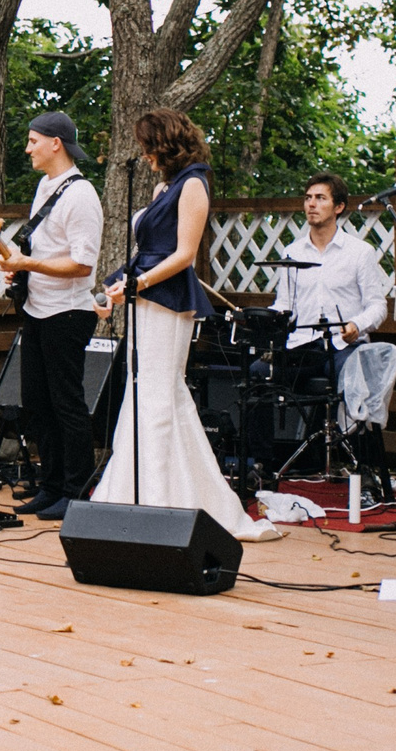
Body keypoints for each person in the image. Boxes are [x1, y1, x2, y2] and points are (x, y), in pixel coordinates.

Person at [82, 108, 279, 541]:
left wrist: (138, 284)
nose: (145, 155)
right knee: (144, 392)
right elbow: (147, 251)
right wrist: (114, 288)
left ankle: (160, 501)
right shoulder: (163, 186)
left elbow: (184, 254)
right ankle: (140, 493)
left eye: (149, 147)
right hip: (144, 297)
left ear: (165, 144)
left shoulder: (194, 183)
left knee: (157, 392)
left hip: (169, 301)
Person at [0, 112, 103, 516]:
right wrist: (19, 268)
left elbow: (82, 264)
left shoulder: (81, 195)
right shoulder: (45, 186)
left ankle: (76, 492)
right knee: (37, 404)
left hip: (68, 312)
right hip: (38, 310)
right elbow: (46, 251)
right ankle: (52, 485)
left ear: (55, 143)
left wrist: (29, 265)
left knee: (67, 404)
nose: (28, 149)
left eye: (33, 141)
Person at [273, 174, 389, 380]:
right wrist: (259, 320)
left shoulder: (360, 252)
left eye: (320, 198)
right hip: (303, 345)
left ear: (339, 207)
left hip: (344, 345)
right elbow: (284, 305)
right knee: (257, 374)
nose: (311, 204)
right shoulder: (292, 252)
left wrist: (356, 325)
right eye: (308, 198)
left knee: (348, 378)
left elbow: (378, 306)